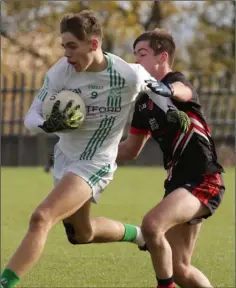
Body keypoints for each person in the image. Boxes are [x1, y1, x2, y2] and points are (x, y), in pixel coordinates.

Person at [0, 12, 190, 288]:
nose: (66, 54)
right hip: (65, 158)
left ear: (93, 44)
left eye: (71, 46)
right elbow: (31, 117)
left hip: (96, 162)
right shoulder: (59, 73)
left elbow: (167, 90)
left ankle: (6, 282)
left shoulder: (127, 74)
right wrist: (47, 124)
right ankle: (138, 236)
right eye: (63, 46)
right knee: (81, 234)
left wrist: (172, 105)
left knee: (42, 217)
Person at [117, 28, 225, 288]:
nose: (136, 61)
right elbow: (130, 149)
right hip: (177, 184)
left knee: (152, 225)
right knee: (180, 269)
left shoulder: (177, 83)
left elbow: (181, 90)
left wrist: (165, 90)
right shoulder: (143, 103)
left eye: (142, 53)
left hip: (204, 179)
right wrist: (90, 152)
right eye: (135, 55)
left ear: (162, 56)